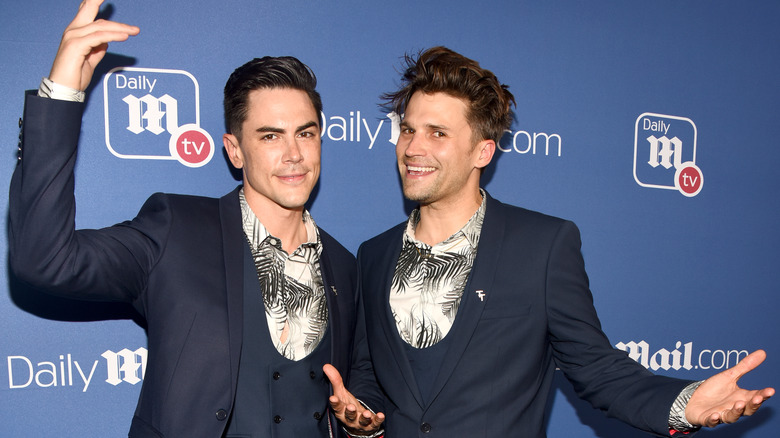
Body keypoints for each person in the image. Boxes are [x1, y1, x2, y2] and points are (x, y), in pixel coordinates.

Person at [340, 46, 774, 437]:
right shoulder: (374, 254)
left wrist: (684, 404)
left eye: (438, 133)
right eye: (408, 130)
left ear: (482, 153)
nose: (413, 147)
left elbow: (597, 370)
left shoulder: (542, 246)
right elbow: (371, 376)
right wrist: (361, 415)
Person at [7, 0, 382, 437]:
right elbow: (44, 259)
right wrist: (62, 94)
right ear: (234, 149)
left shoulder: (346, 266)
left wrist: (362, 424)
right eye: (270, 136)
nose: (294, 154)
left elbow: (361, 384)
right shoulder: (176, 231)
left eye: (306, 133)